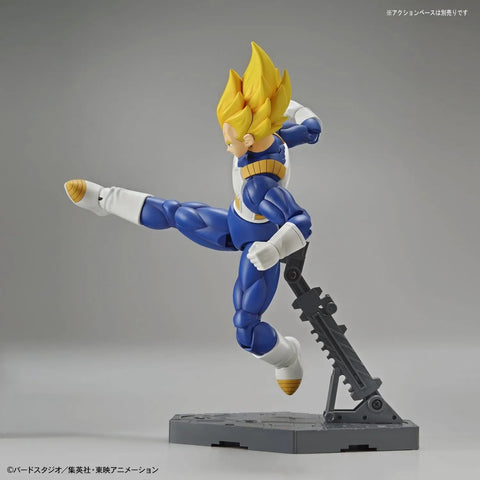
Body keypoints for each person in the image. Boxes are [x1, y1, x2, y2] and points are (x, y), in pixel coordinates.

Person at [65, 42, 321, 395]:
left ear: (249, 137)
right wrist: (282, 108)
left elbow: (301, 221)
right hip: (232, 223)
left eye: (230, 139)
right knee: (176, 213)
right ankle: (103, 199)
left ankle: (287, 357)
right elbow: (312, 127)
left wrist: (274, 250)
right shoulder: (275, 137)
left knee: (246, 329)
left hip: (257, 246)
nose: (226, 145)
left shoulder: (259, 187)